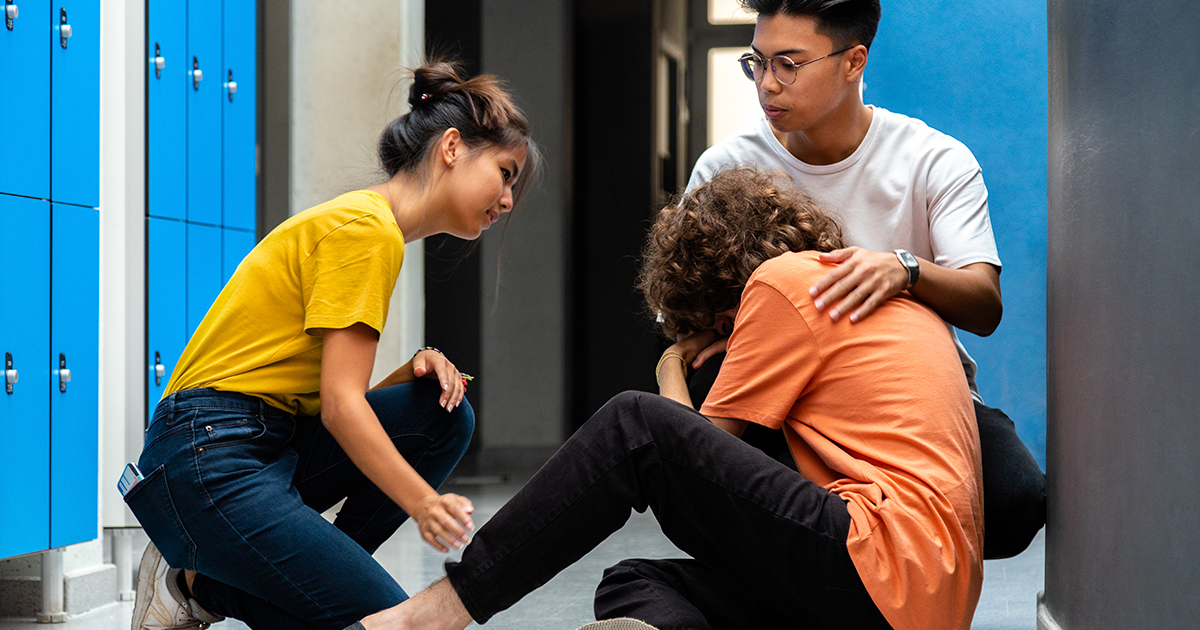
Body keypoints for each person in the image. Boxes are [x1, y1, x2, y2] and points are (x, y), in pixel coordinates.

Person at [351, 167, 984, 630]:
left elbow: (688, 457)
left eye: (717, 325)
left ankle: (436, 613)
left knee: (636, 425)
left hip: (877, 558)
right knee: (636, 582)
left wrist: (672, 366)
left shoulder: (785, 283)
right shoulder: (873, 299)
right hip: (920, 601)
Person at [124, 61, 540, 630]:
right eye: (505, 173)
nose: (508, 199)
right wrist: (424, 503)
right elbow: (342, 408)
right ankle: (200, 585)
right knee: (393, 623)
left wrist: (408, 374)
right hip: (207, 456)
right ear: (451, 147)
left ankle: (232, 586)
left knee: (442, 413)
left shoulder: (368, 225)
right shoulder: (367, 231)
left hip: (262, 440)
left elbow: (331, 399)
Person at [686, 0, 1044, 559]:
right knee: (711, 428)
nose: (767, 84)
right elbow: (686, 313)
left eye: (788, 64)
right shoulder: (725, 167)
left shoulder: (933, 159)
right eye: (757, 62)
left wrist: (904, 270)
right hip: (781, 394)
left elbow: (983, 303)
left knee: (1015, 500)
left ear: (854, 61)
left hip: (908, 391)